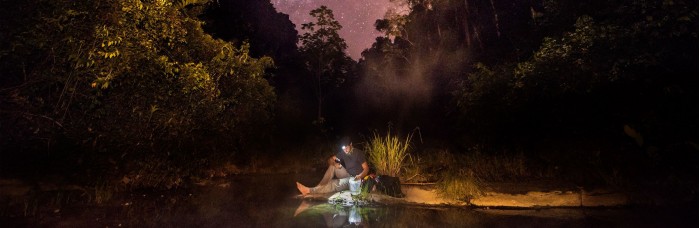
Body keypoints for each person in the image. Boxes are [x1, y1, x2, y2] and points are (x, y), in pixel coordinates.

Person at [296, 137, 369, 196]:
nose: (345, 150)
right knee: (332, 166)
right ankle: (318, 187)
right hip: (347, 174)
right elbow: (330, 159)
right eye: (343, 148)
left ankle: (309, 191)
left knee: (334, 183)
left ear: (351, 144)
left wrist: (360, 176)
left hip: (355, 179)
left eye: (347, 147)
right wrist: (334, 164)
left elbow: (366, 169)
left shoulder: (358, 153)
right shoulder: (343, 153)